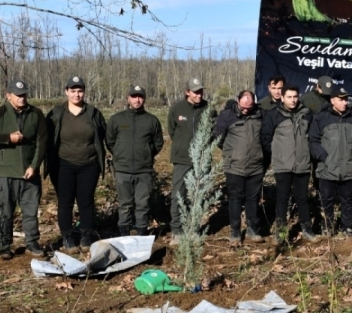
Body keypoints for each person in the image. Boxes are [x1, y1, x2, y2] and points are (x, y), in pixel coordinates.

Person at [0, 79, 48, 259]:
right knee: (5, 211)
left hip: (29, 174)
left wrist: (34, 166)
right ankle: (5, 245)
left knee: (31, 211)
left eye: (24, 95)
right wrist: (7, 138)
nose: (22, 98)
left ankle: (32, 243)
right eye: (18, 95)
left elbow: (42, 141)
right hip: (5, 173)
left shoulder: (36, 114)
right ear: (8, 96)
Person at [46, 76, 107, 253]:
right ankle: (67, 237)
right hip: (62, 165)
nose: (76, 94)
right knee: (65, 202)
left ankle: (86, 235)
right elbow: (45, 137)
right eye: (73, 91)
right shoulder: (57, 113)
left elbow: (103, 134)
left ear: (84, 92)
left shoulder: (93, 113)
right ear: (66, 92)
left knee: (86, 202)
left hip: (89, 164)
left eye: (80, 91)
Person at [261, 85, 320, 243]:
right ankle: (280, 233)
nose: (293, 100)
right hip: (282, 165)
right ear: (282, 98)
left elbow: (313, 137)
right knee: (282, 198)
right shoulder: (274, 115)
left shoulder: (307, 114)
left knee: (302, 198)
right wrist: (277, 154)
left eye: (295, 97)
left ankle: (307, 230)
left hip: (302, 164)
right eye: (289, 97)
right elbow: (266, 138)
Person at [309, 85, 352, 238]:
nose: (344, 103)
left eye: (346, 99)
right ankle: (328, 226)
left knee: (347, 200)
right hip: (327, 168)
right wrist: (323, 157)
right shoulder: (321, 118)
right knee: (326, 200)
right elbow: (313, 140)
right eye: (340, 100)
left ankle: (347, 227)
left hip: (348, 167)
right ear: (332, 100)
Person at [106, 85, 164, 237]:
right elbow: (110, 141)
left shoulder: (152, 120)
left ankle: (141, 232)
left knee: (142, 204)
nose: (137, 99)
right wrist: (119, 154)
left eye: (140, 96)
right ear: (128, 98)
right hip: (122, 170)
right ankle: (124, 232)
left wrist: (146, 154)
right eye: (134, 96)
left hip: (144, 170)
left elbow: (158, 143)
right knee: (125, 204)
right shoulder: (117, 119)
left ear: (144, 99)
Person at [166, 77, 215, 245]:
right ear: (187, 92)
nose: (199, 95)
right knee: (179, 194)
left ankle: (193, 229)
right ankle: (177, 231)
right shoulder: (177, 109)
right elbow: (172, 131)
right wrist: (183, 147)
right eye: (195, 92)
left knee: (198, 195)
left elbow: (213, 131)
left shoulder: (208, 108)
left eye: (201, 91)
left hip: (201, 159)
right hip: (182, 158)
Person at [215, 90, 266, 245]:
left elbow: (266, 136)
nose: (245, 109)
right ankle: (235, 232)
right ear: (237, 100)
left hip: (256, 166)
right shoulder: (227, 115)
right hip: (234, 166)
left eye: (249, 107)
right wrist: (232, 154)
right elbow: (218, 138)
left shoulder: (260, 114)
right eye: (243, 106)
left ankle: (252, 229)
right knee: (235, 198)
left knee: (253, 198)